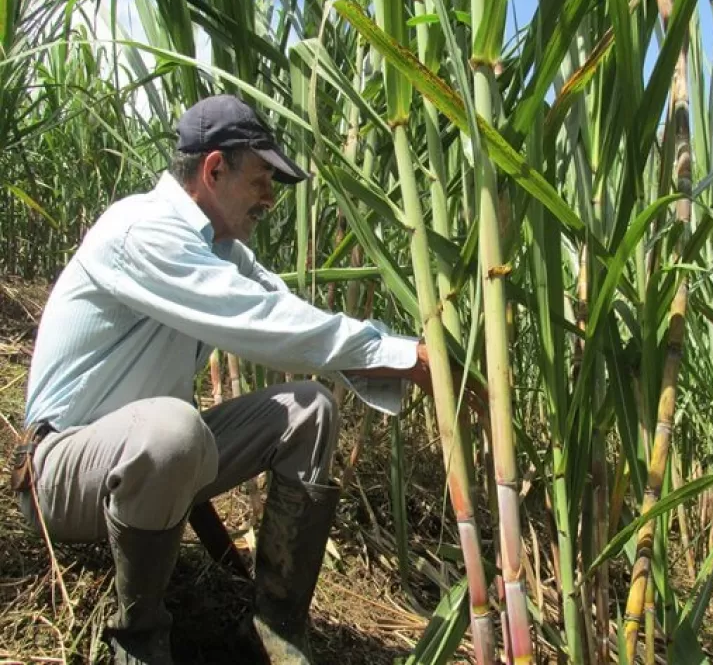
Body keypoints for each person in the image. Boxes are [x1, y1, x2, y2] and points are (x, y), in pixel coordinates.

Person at [11, 94, 433, 665]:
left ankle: (274, 629)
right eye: (261, 180)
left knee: (310, 409)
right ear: (214, 169)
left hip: (142, 461)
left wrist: (402, 355)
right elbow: (256, 320)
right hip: (62, 471)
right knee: (172, 428)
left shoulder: (221, 249)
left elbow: (284, 308)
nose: (270, 198)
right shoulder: (144, 231)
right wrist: (405, 358)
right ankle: (139, 642)